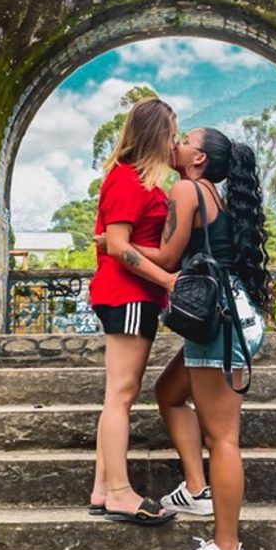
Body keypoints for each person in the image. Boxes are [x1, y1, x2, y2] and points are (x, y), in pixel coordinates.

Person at [130, 127, 270, 550]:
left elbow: (168, 259)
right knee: (168, 392)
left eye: (185, 139)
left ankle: (228, 549)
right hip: (230, 315)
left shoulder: (186, 188)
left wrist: (120, 245)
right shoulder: (213, 193)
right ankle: (195, 487)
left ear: (199, 159)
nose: (175, 143)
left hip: (220, 323)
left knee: (223, 438)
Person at [87, 96, 179, 525]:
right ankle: (121, 492)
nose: (174, 142)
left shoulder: (133, 180)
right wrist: (166, 281)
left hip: (131, 296)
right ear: (156, 135)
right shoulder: (128, 181)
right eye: (171, 134)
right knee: (121, 395)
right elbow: (117, 245)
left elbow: (116, 241)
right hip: (127, 295)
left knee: (119, 394)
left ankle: (104, 488)